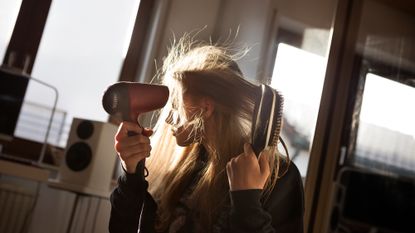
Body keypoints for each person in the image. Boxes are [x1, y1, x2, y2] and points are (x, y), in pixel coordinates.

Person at [109, 36, 304, 233]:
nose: (168, 119)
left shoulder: (280, 177)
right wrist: (132, 175)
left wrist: (247, 202)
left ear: (206, 107)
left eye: (175, 106)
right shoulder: (182, 171)